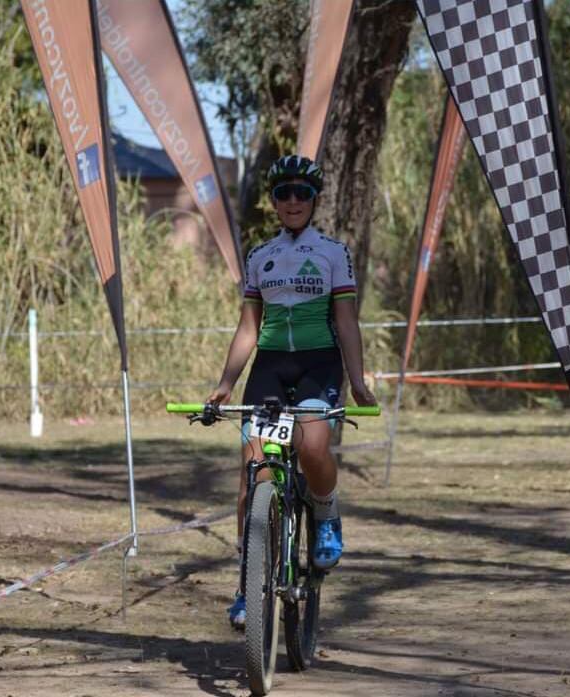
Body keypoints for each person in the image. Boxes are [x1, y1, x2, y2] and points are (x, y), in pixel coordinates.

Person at [207, 155, 377, 630]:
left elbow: (346, 321)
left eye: (303, 193)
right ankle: (246, 587)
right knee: (251, 473)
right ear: (274, 201)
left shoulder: (333, 253)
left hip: (318, 364)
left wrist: (359, 381)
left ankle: (326, 513)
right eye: (285, 193)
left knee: (314, 444)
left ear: (315, 200)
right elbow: (248, 328)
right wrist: (224, 384)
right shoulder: (260, 255)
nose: (294, 201)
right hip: (269, 369)